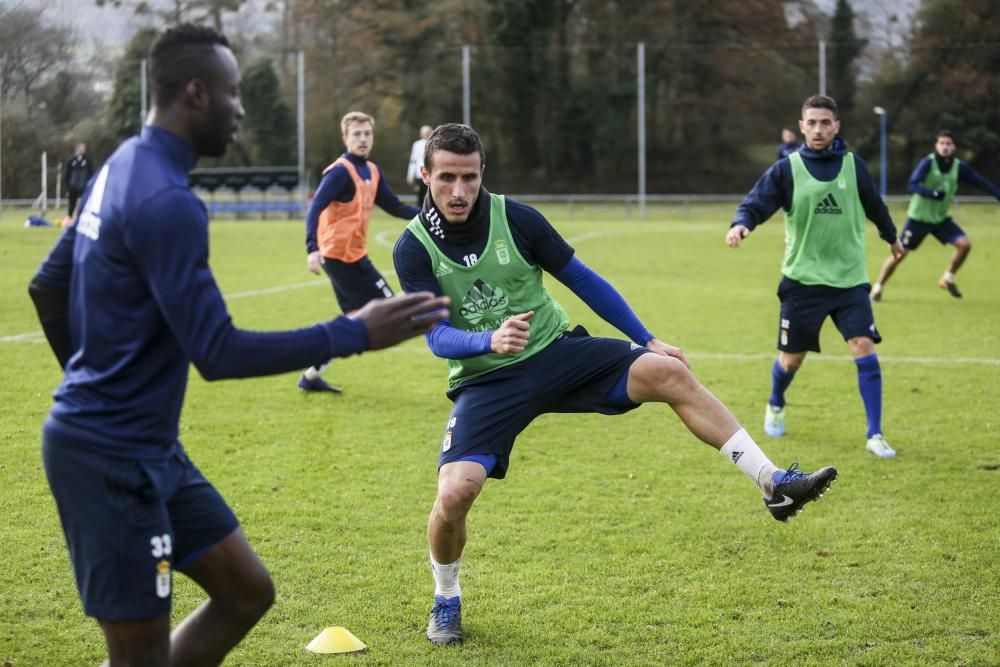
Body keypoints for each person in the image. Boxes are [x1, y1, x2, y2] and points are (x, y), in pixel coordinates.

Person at [26, 24, 447, 667]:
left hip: (150, 447)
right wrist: (356, 331)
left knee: (246, 592)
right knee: (137, 659)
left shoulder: (122, 164)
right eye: (233, 92)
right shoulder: (168, 201)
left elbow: (48, 289)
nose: (241, 108)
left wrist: (97, 382)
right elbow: (216, 352)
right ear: (196, 93)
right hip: (109, 458)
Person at [393, 123, 838, 646]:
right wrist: (487, 340)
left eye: (469, 177)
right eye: (446, 177)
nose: (459, 190)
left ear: (482, 172)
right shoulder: (413, 248)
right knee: (455, 493)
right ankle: (446, 597)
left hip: (557, 352)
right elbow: (437, 338)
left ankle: (772, 484)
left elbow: (582, 280)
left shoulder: (517, 219)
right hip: (487, 379)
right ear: (426, 175)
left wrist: (646, 338)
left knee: (671, 372)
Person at [726, 95, 905, 460]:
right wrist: (742, 224)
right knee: (792, 359)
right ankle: (776, 401)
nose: (819, 129)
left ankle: (875, 433)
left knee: (863, 346)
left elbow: (875, 205)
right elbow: (756, 202)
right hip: (802, 282)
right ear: (802, 126)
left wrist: (892, 237)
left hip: (849, 279)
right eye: (812, 122)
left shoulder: (854, 166)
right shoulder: (786, 169)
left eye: (826, 122)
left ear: (836, 126)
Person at [299, 111, 421, 393]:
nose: (363, 139)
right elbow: (315, 208)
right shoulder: (341, 171)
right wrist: (311, 249)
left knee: (354, 321)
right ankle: (315, 348)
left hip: (354, 256)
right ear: (345, 138)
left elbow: (396, 207)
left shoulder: (372, 171)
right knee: (392, 309)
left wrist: (431, 216)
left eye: (367, 133)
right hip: (338, 257)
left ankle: (311, 375)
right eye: (357, 134)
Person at [870, 130, 1000, 301]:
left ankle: (947, 278)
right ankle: (877, 288)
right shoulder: (927, 163)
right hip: (918, 219)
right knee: (899, 254)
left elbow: (981, 182)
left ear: (954, 147)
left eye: (948, 144)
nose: (945, 147)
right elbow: (912, 184)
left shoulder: (959, 167)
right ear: (936, 145)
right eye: (942, 143)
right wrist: (931, 193)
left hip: (939, 219)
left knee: (965, 245)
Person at [64, 142, 95, 220]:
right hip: (73, 187)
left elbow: (91, 173)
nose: (83, 150)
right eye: (81, 148)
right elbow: (67, 174)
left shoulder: (88, 161)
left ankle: (83, 219)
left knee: (84, 204)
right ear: (77, 149)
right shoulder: (71, 161)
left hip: (84, 187)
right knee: (71, 205)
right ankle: (69, 220)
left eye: (84, 148)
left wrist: (90, 185)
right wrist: (68, 186)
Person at [407, 124, 433, 206]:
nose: (426, 134)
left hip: (432, 173)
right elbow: (413, 160)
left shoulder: (435, 144)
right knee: (420, 195)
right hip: (420, 174)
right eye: (425, 132)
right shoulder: (417, 145)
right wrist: (410, 175)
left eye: (428, 132)